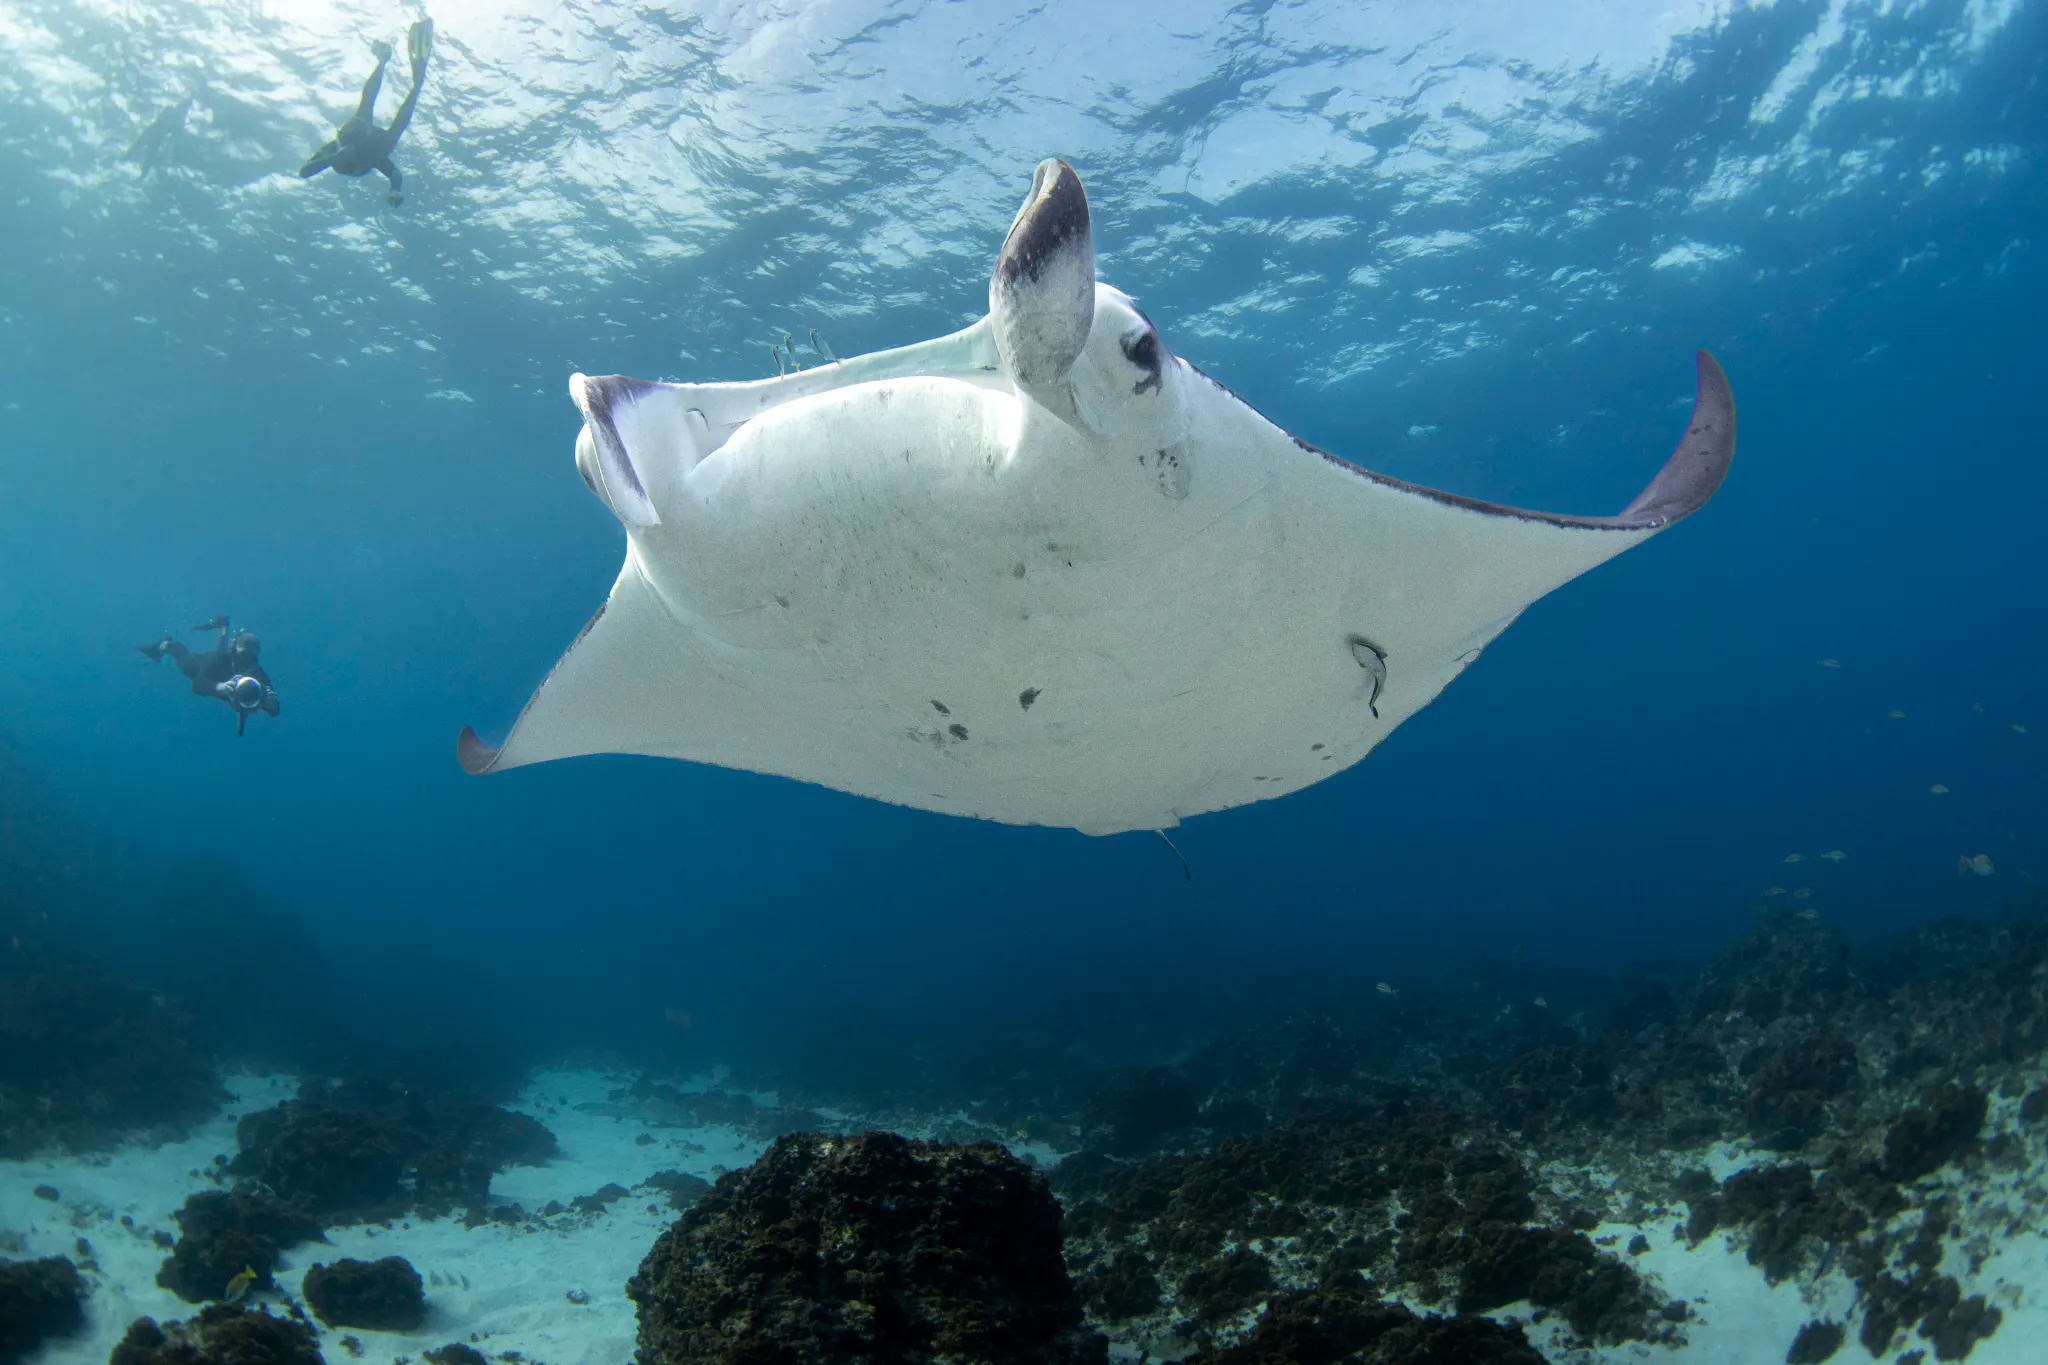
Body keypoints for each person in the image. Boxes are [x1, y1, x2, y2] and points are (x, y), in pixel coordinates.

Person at [298, 18, 434, 206]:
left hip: (354, 135)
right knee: (398, 123)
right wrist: (395, 190)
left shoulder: (335, 148)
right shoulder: (374, 157)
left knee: (365, 107)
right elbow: (395, 173)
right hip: (377, 144)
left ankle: (383, 61)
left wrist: (330, 159)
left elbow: (304, 171)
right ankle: (416, 81)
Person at [137, 617, 281, 737]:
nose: (246, 663)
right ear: (235, 652)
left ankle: (224, 628)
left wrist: (271, 706)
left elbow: (273, 710)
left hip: (218, 672)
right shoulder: (220, 661)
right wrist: (219, 687)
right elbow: (197, 686)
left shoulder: (259, 677)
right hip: (202, 666)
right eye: (243, 656)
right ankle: (164, 645)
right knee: (182, 658)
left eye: (251, 657)